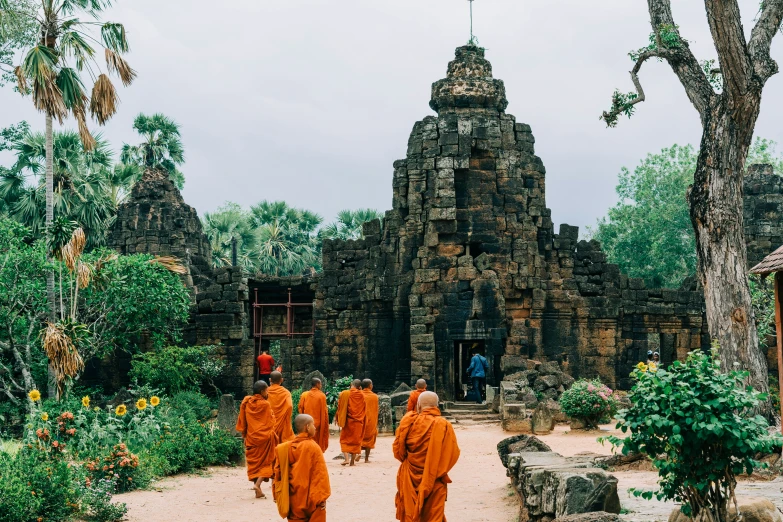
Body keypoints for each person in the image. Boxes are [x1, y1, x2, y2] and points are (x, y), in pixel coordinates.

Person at [394, 391, 460, 522]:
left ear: (418, 405)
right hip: (435, 478)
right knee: (433, 515)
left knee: (410, 513)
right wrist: (436, 469)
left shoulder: (409, 422)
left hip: (410, 477)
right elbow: (452, 454)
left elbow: (398, 452)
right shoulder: (444, 425)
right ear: (437, 406)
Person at [273, 414, 331, 522]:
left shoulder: (285, 449)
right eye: (313, 425)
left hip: (293, 499)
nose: (315, 428)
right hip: (312, 500)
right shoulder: (313, 447)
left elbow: (278, 474)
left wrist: (277, 494)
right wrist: (322, 497)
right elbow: (320, 476)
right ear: (307, 427)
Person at [235, 380, 277, 499]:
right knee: (265, 461)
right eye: (267, 390)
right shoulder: (265, 404)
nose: (268, 392)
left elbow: (243, 420)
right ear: (263, 391)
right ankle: (258, 485)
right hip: (264, 438)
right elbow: (271, 421)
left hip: (252, 437)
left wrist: (245, 434)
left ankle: (257, 490)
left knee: (255, 464)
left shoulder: (247, 402)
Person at [336, 379, 366, 466]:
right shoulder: (362, 394)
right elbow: (365, 407)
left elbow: (340, 406)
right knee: (356, 441)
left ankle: (346, 459)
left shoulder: (345, 393)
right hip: (359, 421)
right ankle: (352, 462)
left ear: (351, 384)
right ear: (359, 387)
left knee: (344, 440)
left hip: (348, 421)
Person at [297, 377, 329, 452]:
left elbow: (300, 408)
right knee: (317, 442)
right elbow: (324, 412)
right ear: (317, 384)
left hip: (307, 423)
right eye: (320, 384)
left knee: (308, 441)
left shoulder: (305, 395)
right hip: (318, 423)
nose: (321, 386)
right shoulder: (322, 396)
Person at [267, 371, 295, 444]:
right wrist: (285, 416)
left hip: (269, 423)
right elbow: (289, 406)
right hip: (282, 425)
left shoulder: (266, 392)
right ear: (281, 380)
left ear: (270, 380)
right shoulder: (286, 392)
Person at [360, 378, 379, 463]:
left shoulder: (359, 395)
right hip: (371, 421)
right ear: (370, 386)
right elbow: (375, 410)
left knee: (359, 437)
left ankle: (357, 454)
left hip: (360, 420)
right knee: (370, 438)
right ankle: (366, 459)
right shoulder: (374, 396)